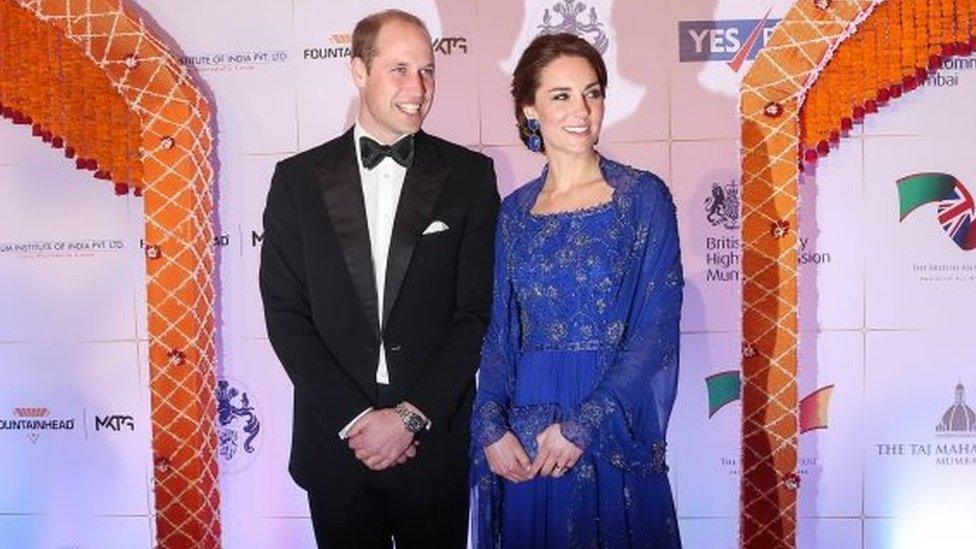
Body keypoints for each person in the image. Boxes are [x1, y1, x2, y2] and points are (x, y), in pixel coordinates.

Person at [259, 9, 499, 548]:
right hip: (337, 444)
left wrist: (410, 418)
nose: (418, 87)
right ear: (358, 71)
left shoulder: (469, 177)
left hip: (434, 444)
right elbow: (286, 314)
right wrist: (358, 419)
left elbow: (475, 314)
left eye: (428, 70)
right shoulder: (297, 181)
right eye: (399, 69)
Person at [470, 33, 683, 548]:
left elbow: (655, 331)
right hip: (527, 436)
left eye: (593, 93)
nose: (582, 110)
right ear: (530, 109)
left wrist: (584, 425)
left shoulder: (641, 197)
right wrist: (490, 426)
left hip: (608, 423)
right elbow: (500, 335)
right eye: (561, 95)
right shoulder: (514, 214)